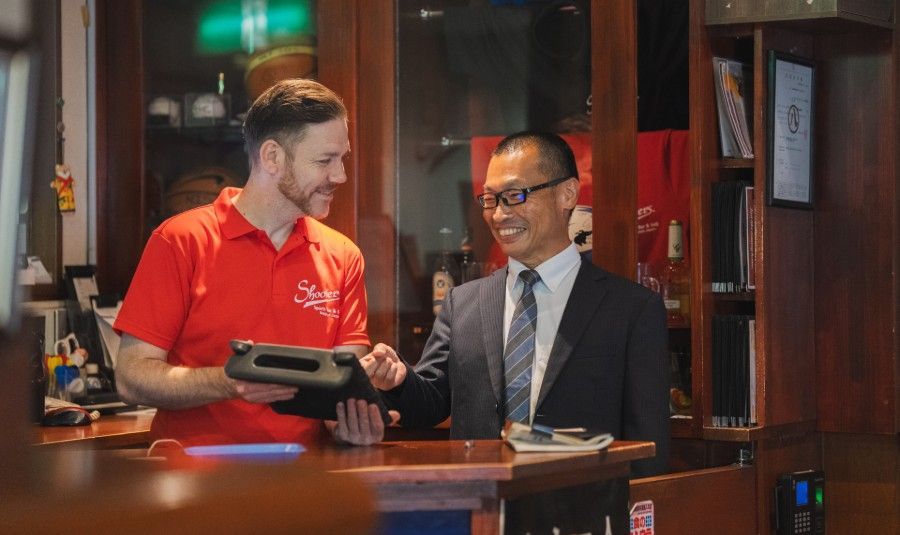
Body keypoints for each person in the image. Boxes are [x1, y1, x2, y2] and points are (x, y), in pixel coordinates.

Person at [364, 131, 670, 476]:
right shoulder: (463, 302)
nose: (498, 215)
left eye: (514, 195)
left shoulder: (630, 309)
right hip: (480, 508)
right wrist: (400, 380)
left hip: (581, 511)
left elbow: (649, 447)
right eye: (490, 199)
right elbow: (431, 405)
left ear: (567, 193)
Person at [114, 79, 386, 447]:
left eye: (342, 159)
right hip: (192, 484)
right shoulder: (180, 240)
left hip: (302, 482)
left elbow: (340, 396)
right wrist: (231, 383)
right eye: (325, 161)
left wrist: (355, 422)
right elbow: (131, 377)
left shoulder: (344, 256)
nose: (340, 176)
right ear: (272, 156)